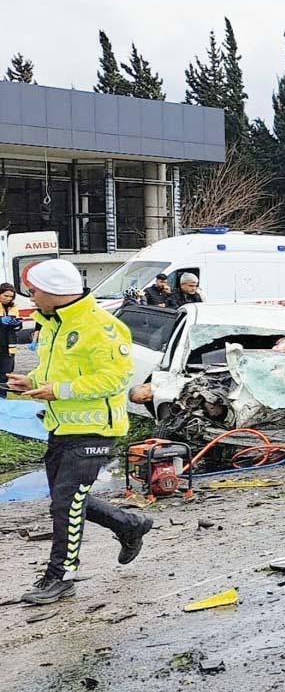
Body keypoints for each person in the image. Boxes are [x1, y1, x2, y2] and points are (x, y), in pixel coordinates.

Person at [6, 258, 151, 605]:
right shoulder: (54, 323)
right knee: (68, 500)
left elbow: (113, 379)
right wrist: (35, 382)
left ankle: (61, 576)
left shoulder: (101, 327)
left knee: (64, 503)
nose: (31, 297)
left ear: (55, 292)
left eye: (35, 291)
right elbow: (60, 370)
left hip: (96, 429)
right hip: (62, 426)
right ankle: (129, 524)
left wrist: (59, 391)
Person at [0, 283, 19, 380]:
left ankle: (3, 395)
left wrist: (17, 324)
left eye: (11, 296)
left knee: (6, 375)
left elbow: (18, 327)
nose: (8, 299)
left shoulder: (13, 307)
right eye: (5, 296)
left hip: (8, 347)